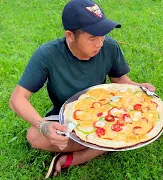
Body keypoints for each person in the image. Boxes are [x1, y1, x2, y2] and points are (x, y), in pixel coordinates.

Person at [9, 0, 155, 178]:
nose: (100, 43)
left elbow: (120, 80)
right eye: (93, 38)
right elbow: (17, 99)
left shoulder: (109, 46)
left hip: (109, 112)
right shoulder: (47, 55)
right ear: (70, 36)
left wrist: (137, 87)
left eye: (102, 35)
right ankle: (111, 144)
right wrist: (43, 126)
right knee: (34, 136)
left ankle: (83, 154)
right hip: (68, 118)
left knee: (135, 123)